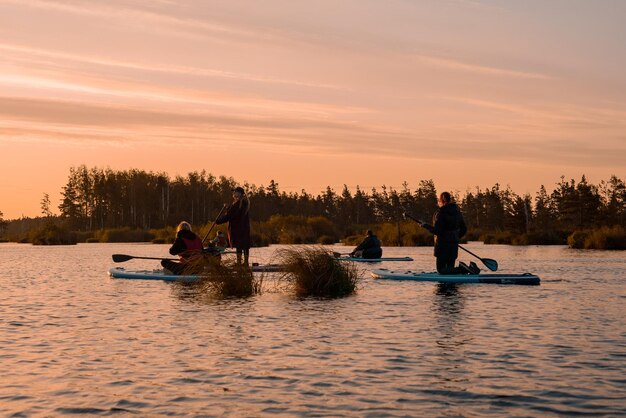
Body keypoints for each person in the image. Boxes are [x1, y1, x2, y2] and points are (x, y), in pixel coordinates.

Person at [420, 192, 479, 275]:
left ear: (442, 201)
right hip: (453, 244)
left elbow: (438, 231)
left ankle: (463, 269)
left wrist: (425, 226)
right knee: (450, 269)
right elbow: (464, 229)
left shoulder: (440, 213)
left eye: (439, 201)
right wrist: (455, 237)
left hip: (442, 246)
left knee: (441, 270)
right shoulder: (457, 213)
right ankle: (463, 271)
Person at [216, 186, 251, 265]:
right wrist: (228, 208)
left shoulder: (238, 204)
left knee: (240, 246)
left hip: (237, 230)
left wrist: (218, 221)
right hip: (244, 229)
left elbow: (229, 216)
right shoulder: (244, 204)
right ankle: (245, 263)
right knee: (244, 246)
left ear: (239, 194)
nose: (233, 193)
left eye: (235, 192)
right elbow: (233, 214)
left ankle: (240, 264)